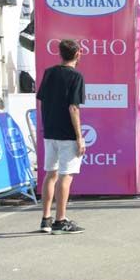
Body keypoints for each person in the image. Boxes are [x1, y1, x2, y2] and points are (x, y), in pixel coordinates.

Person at [35, 38, 86, 235]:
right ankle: (60, 219)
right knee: (66, 176)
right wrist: (79, 137)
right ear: (78, 54)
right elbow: (73, 108)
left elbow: (42, 100)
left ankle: (46, 219)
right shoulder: (76, 76)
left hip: (50, 132)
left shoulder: (49, 73)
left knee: (51, 174)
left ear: (60, 53)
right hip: (67, 134)